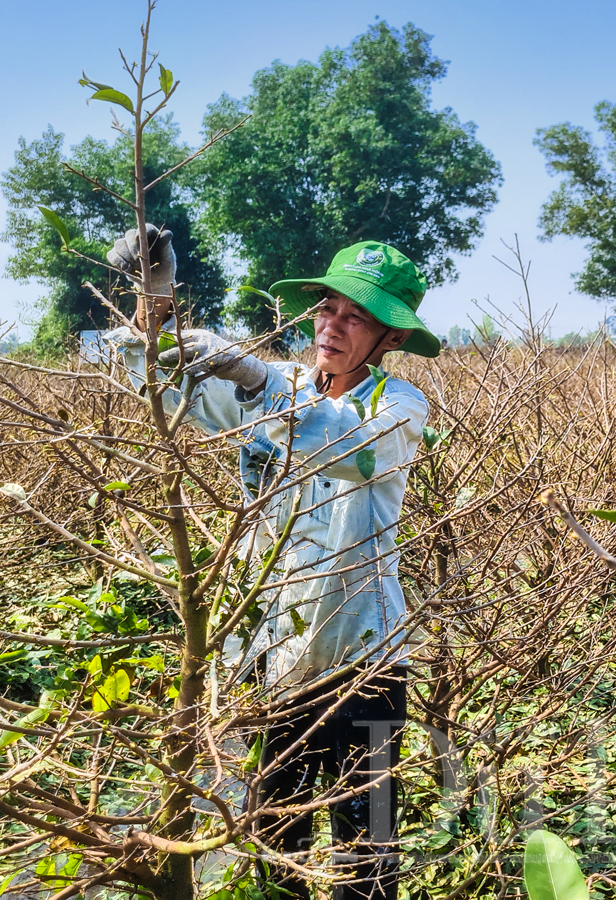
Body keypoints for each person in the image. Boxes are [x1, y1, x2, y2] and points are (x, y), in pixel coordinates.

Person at [105, 228, 441, 900]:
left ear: (392, 339)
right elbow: (154, 379)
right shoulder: (276, 383)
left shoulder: (400, 407)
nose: (333, 326)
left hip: (366, 662)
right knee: (271, 836)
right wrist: (155, 298)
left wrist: (256, 379)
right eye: (326, 309)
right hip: (276, 657)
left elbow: (336, 443)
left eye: (356, 317)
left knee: (367, 847)